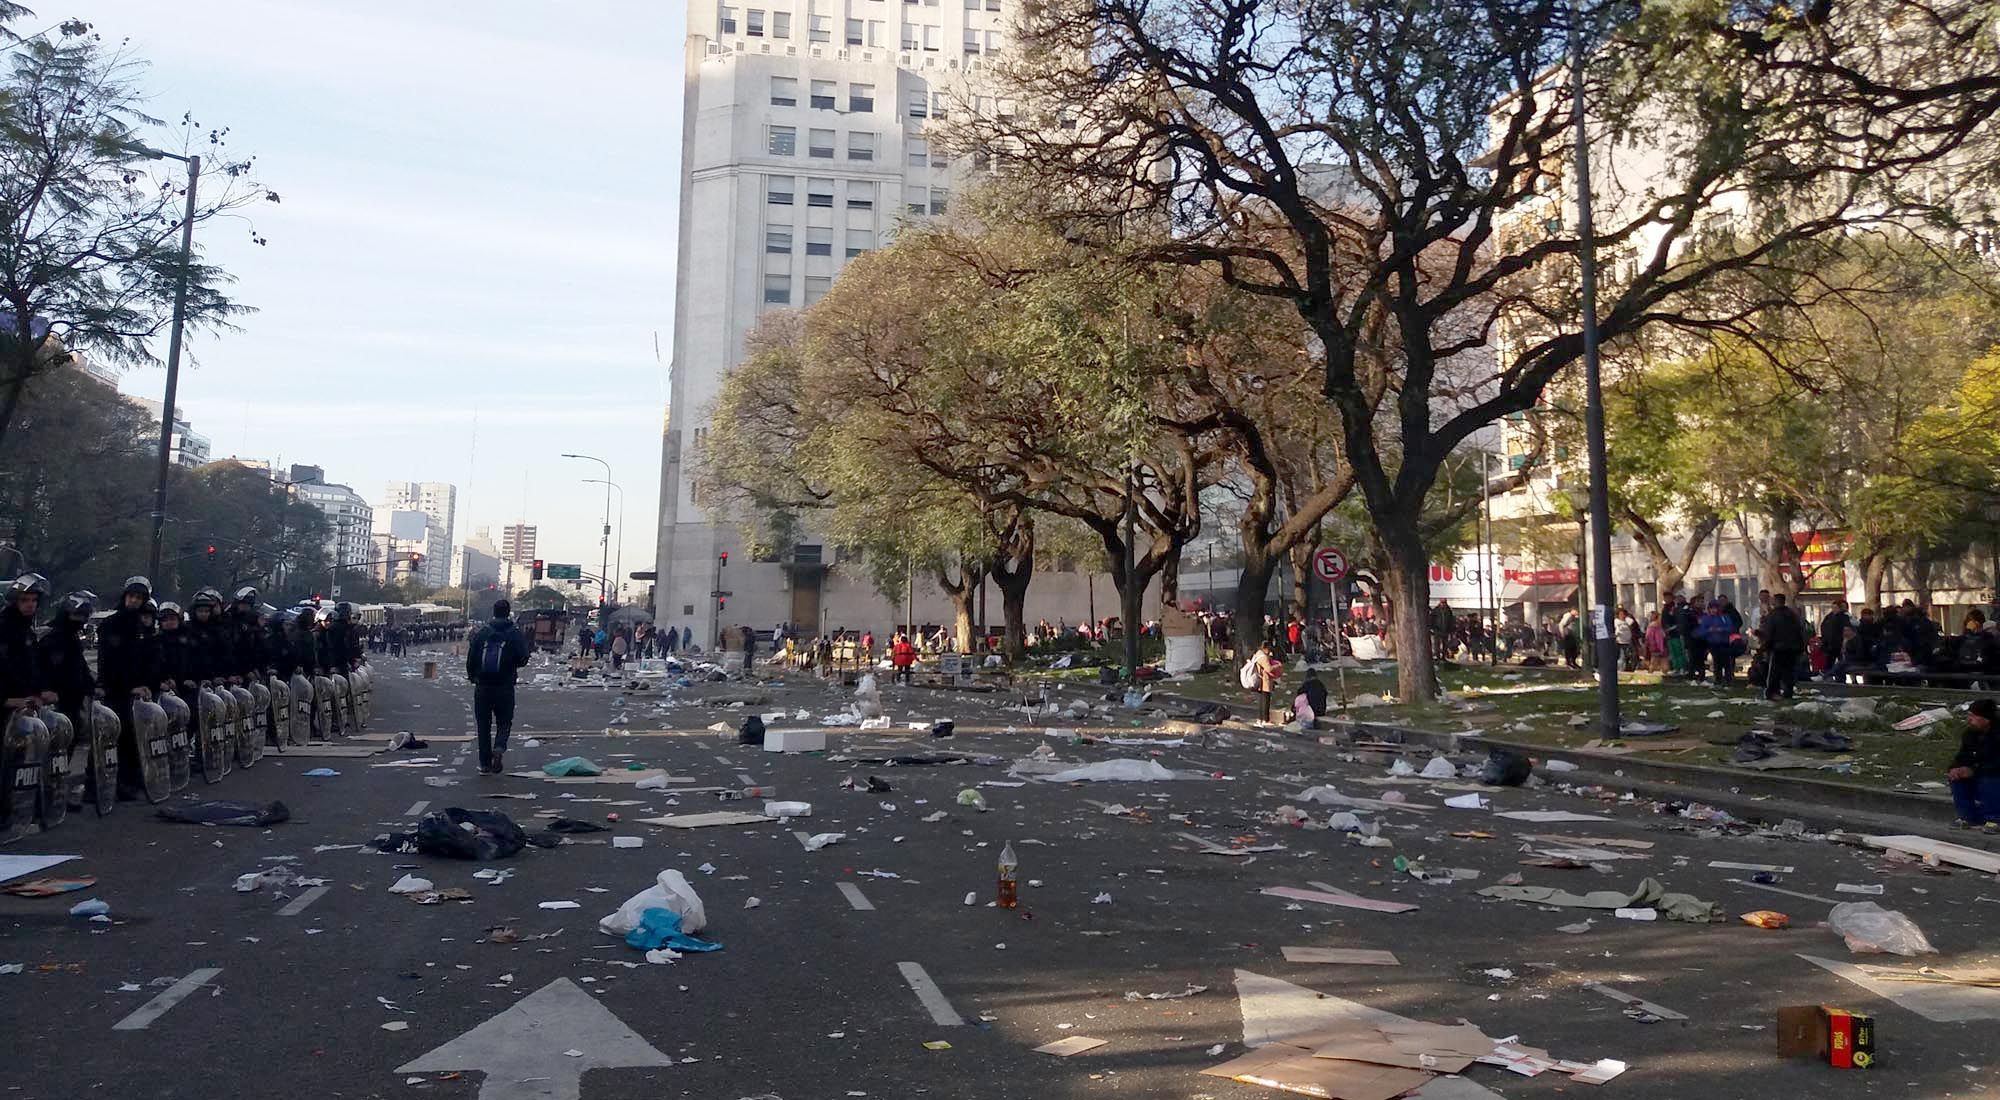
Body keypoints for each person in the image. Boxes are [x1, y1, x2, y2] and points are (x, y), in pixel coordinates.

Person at [97, 578, 158, 798]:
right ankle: (104, 784)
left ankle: (131, 780)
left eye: (139, 598)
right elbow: (110, 661)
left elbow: (147, 660)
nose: (134, 601)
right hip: (117, 690)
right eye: (131, 596)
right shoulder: (111, 624)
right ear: (125, 597)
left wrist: (147, 684)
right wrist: (128, 686)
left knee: (135, 738)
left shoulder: (142, 626)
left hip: (140, 692)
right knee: (114, 737)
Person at [38, 591, 97, 805]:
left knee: (65, 749)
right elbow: (41, 669)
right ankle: (45, 794)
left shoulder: (72, 639)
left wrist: (93, 687)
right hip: (54, 704)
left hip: (72, 701)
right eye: (75, 616)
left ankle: (56, 790)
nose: (79, 621)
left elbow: (80, 668)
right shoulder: (52, 639)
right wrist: (45, 690)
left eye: (82, 617)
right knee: (52, 751)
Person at [466, 600, 530, 774]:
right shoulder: (514, 633)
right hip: (505, 686)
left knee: (483, 725)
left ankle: (485, 763)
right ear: (508, 612)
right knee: (504, 721)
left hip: (483, 686)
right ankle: (500, 747)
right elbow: (523, 658)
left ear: (493, 612)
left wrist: (473, 677)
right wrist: (511, 666)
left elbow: (471, 658)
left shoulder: (483, 633)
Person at [1948, 698, 1999, 832]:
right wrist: (1956, 768)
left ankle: (1995, 820)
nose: (1969, 720)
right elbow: (1963, 756)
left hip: (1993, 777)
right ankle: (1967, 818)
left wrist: (1973, 770)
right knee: (1957, 778)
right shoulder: (1970, 734)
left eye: (1973, 716)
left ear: (1986, 719)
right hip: (1980, 773)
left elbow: (1995, 762)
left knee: (1990, 778)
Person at [1760, 592, 1807, 699]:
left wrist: (1765, 646)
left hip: (1778, 648)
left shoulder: (1773, 615)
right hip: (1793, 648)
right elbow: (1800, 631)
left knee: (1774, 672)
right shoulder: (1792, 614)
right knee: (1789, 672)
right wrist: (1800, 647)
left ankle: (1772, 693)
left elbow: (1769, 633)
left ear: (1776, 601)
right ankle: (1788, 692)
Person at [1700, 600, 1738, 685]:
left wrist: (1721, 629)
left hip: (1724, 642)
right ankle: (1718, 679)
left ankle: (1728, 679)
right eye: (1711, 608)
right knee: (1717, 662)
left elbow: (1731, 628)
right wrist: (1709, 630)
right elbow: (1702, 630)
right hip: (1713, 643)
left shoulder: (1724, 617)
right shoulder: (1706, 618)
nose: (1713, 610)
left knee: (1727, 662)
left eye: (1715, 608)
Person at [1818, 600, 1852, 681]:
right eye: (1832, 607)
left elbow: (1846, 630)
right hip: (1829, 644)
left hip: (1838, 643)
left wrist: (1844, 642)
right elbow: (1823, 628)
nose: (1834, 609)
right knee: (1829, 662)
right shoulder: (1829, 617)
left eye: (1835, 607)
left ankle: (1840, 678)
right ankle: (1828, 677)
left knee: (1840, 663)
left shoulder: (1843, 617)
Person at [1250, 639, 1281, 722]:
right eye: (1269, 649)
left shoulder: (1257, 655)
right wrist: (1277, 666)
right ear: (1266, 648)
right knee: (1265, 701)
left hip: (1259, 681)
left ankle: (1260, 718)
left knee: (1261, 702)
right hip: (1264, 682)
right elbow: (1268, 669)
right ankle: (1265, 719)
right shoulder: (1263, 657)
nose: (1269, 652)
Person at [1613, 607, 1638, 672]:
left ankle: (1628, 668)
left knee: (1629, 656)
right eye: (1620, 614)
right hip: (1620, 642)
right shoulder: (1616, 621)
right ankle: (1620, 670)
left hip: (1627, 642)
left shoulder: (1627, 620)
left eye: (1623, 614)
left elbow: (1632, 623)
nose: (1622, 616)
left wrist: (1626, 619)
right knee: (1622, 656)